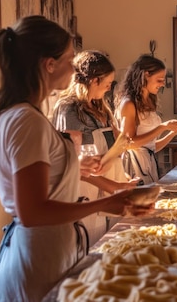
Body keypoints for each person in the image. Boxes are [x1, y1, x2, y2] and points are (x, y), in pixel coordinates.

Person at [0, 16, 150, 302]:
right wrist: (107, 203)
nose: (73, 67)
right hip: (37, 260)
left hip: (46, 253)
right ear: (49, 64)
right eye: (69, 59)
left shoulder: (23, 115)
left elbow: (42, 178)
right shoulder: (26, 120)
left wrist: (76, 170)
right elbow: (32, 211)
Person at [52, 50, 136, 245]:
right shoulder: (69, 109)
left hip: (108, 188)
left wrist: (121, 176)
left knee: (110, 244)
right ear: (93, 81)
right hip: (86, 191)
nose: (108, 89)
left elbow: (112, 147)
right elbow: (74, 165)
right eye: (106, 84)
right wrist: (114, 186)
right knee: (89, 244)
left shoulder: (100, 108)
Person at [115, 54, 177, 184]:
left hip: (148, 163)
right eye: (159, 80)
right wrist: (163, 127)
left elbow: (151, 147)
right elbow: (129, 143)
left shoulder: (148, 101)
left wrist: (173, 132)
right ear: (145, 75)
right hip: (134, 166)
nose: (162, 84)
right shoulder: (128, 104)